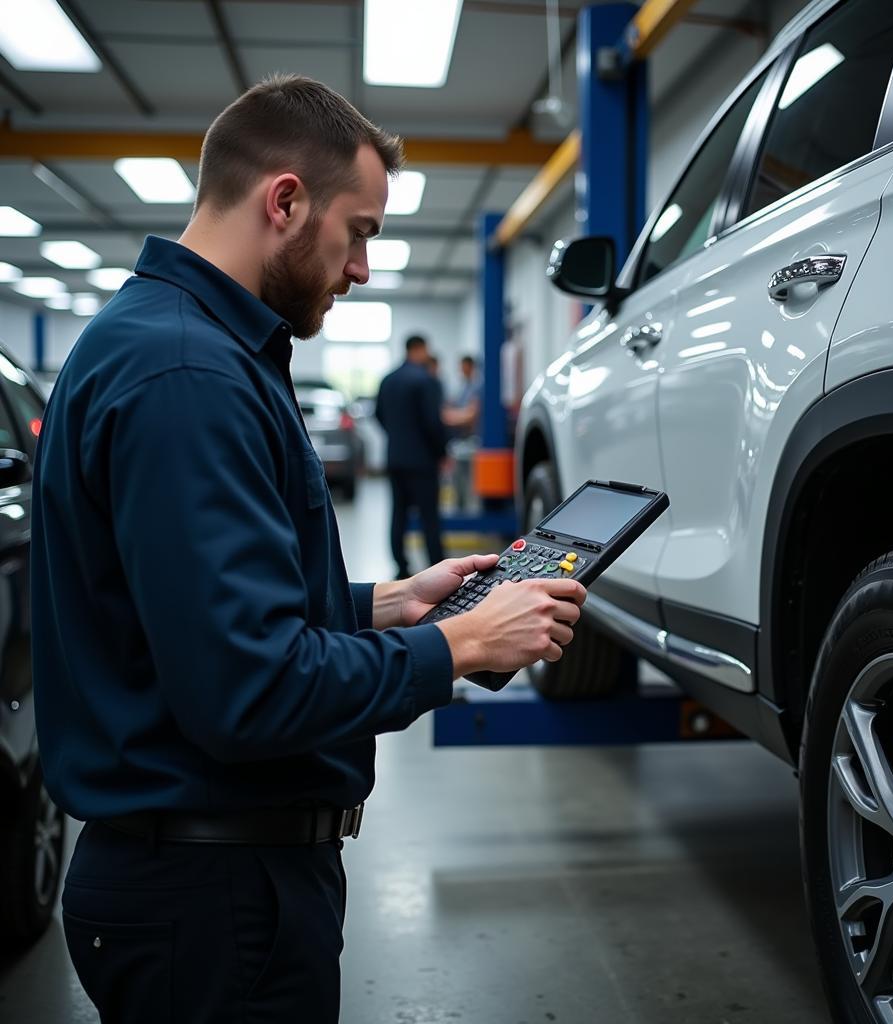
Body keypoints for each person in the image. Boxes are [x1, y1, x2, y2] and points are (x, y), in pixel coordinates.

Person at [30, 74, 586, 1024]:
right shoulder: (186, 376)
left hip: (204, 877)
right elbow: (247, 689)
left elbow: (177, 610)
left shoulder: (183, 348)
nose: (362, 266)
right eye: (360, 230)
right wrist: (457, 646)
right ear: (285, 201)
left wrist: (386, 604)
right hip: (212, 899)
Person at [375, 335, 447, 577]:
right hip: (423, 461)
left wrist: (397, 438)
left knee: (398, 514)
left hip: (395, 458)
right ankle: (437, 567)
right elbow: (432, 423)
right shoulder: (425, 380)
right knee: (429, 517)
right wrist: (442, 452)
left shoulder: (387, 380)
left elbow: (379, 415)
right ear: (420, 349)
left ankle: (401, 566)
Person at [443, 354, 483, 511]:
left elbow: (471, 414)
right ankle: (461, 507)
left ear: (470, 366)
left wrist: (447, 417)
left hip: (474, 440)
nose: (460, 370)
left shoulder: (478, 387)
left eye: (462, 366)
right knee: (458, 478)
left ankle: (471, 511)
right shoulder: (465, 386)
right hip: (463, 439)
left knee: (470, 483)